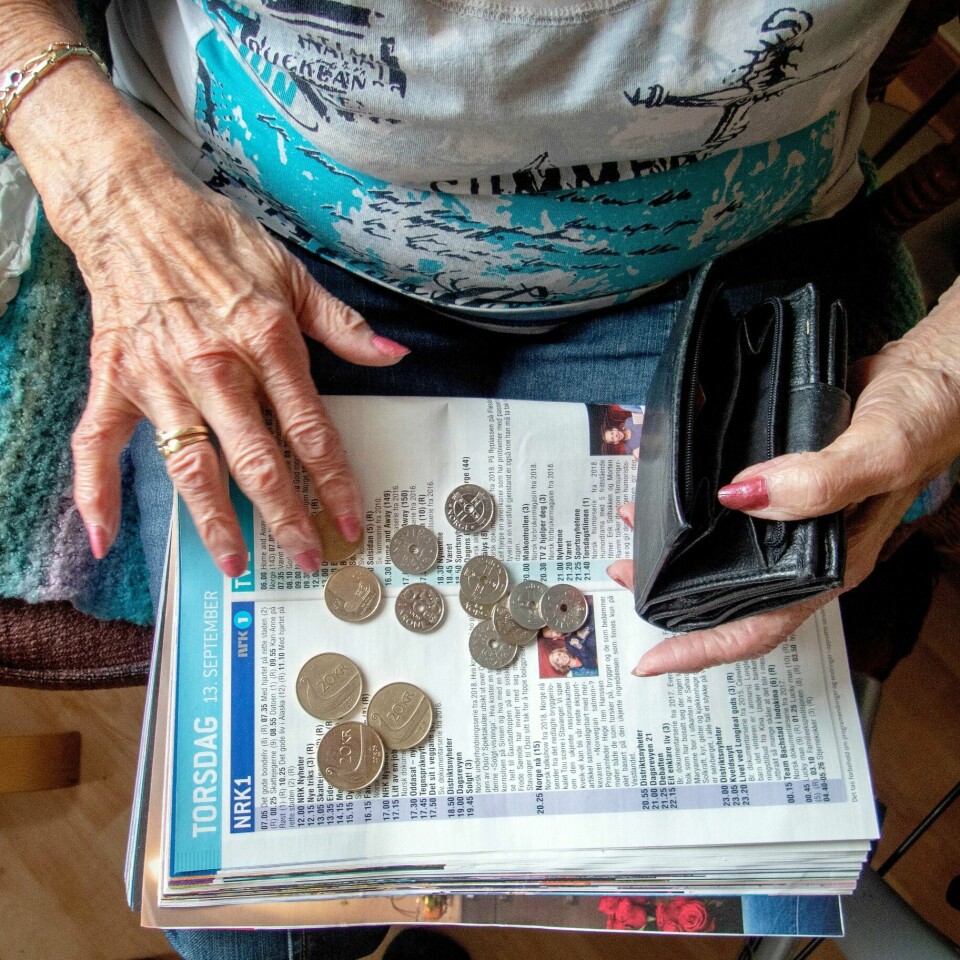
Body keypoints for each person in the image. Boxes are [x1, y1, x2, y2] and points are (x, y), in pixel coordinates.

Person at [5, 1, 960, 957]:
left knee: (669, 743)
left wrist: (939, 380)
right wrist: (103, 184)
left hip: (715, 281)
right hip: (236, 237)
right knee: (255, 923)